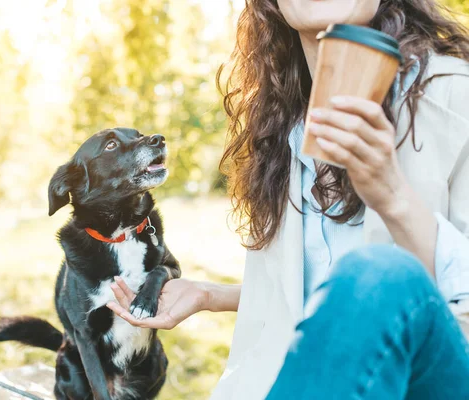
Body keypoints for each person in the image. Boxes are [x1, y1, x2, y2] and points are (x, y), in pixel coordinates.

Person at [106, 0, 469, 398]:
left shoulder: (457, 97)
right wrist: (211, 295)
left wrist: (393, 196)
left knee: (381, 272)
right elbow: (325, 294)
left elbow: (393, 292)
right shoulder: (282, 128)